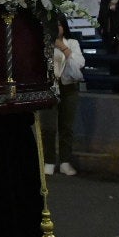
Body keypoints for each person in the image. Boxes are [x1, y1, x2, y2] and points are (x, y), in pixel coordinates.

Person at [46, 13, 84, 176]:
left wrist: (62, 47)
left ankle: (65, 161)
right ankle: (48, 161)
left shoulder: (72, 43)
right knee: (48, 127)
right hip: (50, 88)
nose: (57, 28)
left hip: (69, 87)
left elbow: (78, 64)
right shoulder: (44, 43)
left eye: (60, 24)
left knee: (66, 126)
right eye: (54, 25)